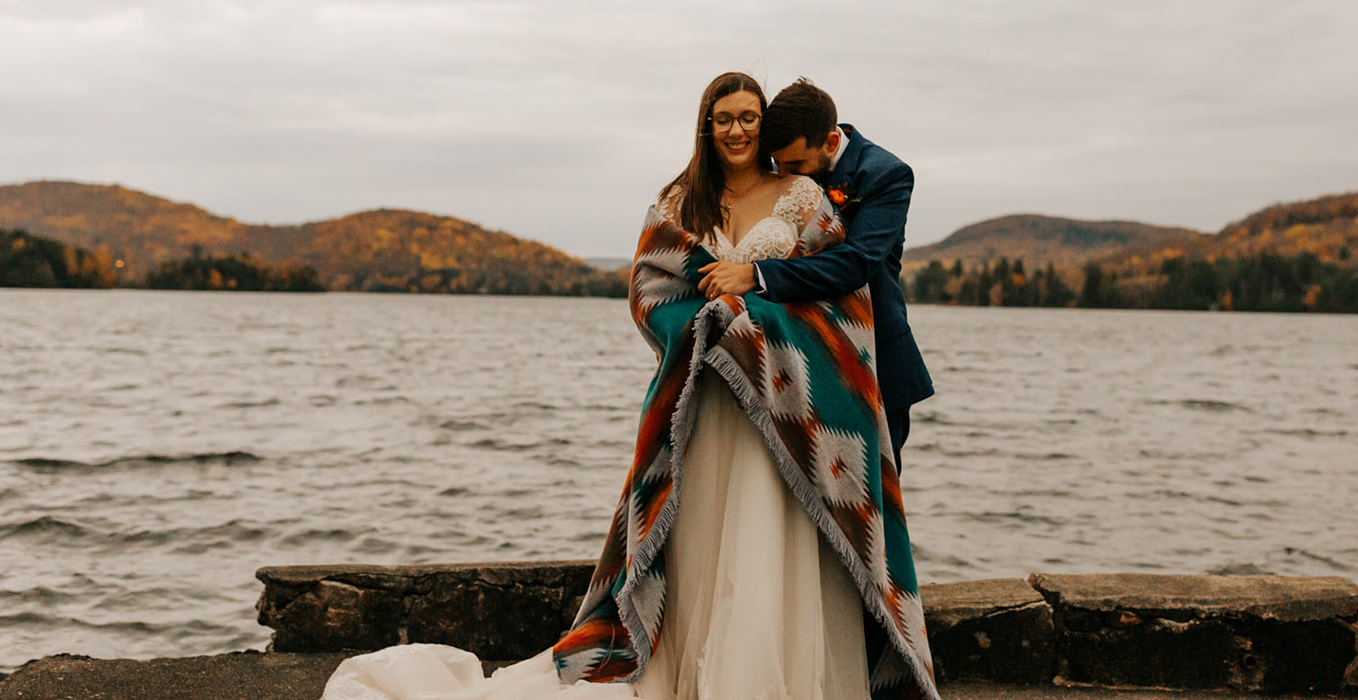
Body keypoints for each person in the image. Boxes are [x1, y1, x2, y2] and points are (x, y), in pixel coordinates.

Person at [323, 73, 937, 700]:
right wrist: (704, 326)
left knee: (774, 538)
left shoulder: (805, 196)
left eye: (749, 117)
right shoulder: (679, 202)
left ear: (766, 124)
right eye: (724, 118)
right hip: (705, 397)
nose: (737, 129)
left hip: (782, 405)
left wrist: (754, 304)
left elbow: (843, 292)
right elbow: (650, 292)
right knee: (701, 539)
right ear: (706, 124)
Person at [696, 78, 933, 475]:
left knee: (870, 497)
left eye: (794, 167)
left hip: (874, 358)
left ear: (828, 142)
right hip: (796, 362)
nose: (786, 177)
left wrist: (755, 274)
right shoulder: (785, 159)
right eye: (778, 166)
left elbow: (856, 263)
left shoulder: (886, 175)